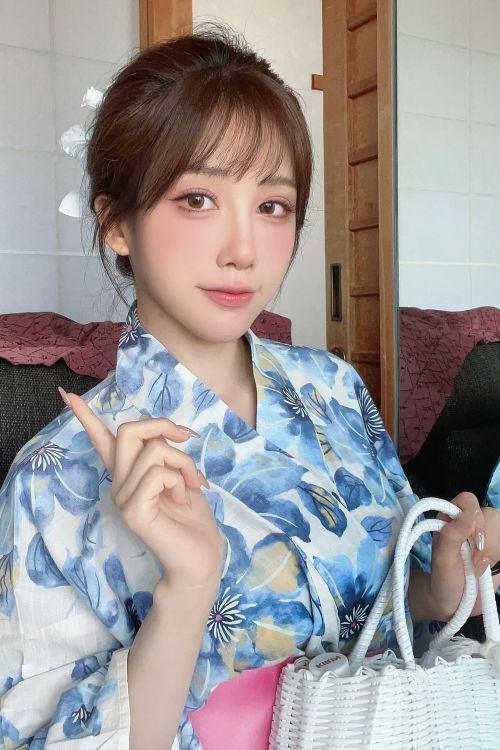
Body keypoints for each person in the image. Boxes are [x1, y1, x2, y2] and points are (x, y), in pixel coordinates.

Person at [1, 26, 499, 750]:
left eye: (272, 206)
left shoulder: (333, 387)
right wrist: (186, 592)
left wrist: (435, 588)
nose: (243, 251)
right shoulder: (53, 479)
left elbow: (388, 614)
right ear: (116, 224)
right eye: (197, 198)